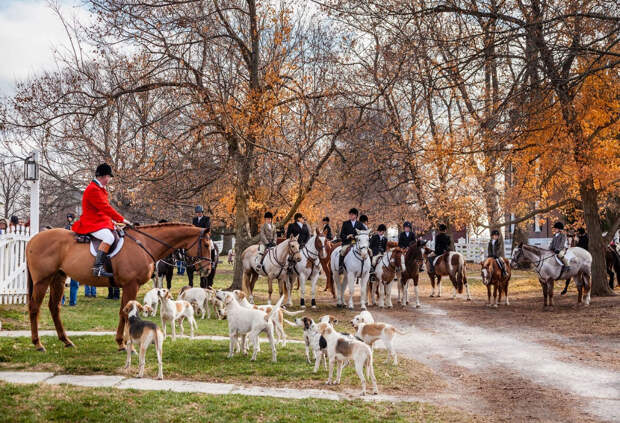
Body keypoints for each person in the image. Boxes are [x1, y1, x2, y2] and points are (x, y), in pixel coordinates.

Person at [72, 163, 131, 279]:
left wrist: (113, 222)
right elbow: (105, 208)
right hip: (91, 223)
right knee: (109, 237)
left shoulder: (100, 189)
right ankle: (97, 267)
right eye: (108, 177)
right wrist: (122, 219)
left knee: (117, 233)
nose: (109, 179)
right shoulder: (93, 189)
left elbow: (102, 210)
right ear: (103, 176)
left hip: (100, 221)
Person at [63, 213, 81, 305]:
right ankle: (62, 300)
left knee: (74, 282)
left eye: (70, 217)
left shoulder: (76, 227)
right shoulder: (66, 227)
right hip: (67, 255)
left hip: (75, 255)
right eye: (68, 217)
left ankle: (72, 301)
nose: (68, 218)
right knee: (61, 281)